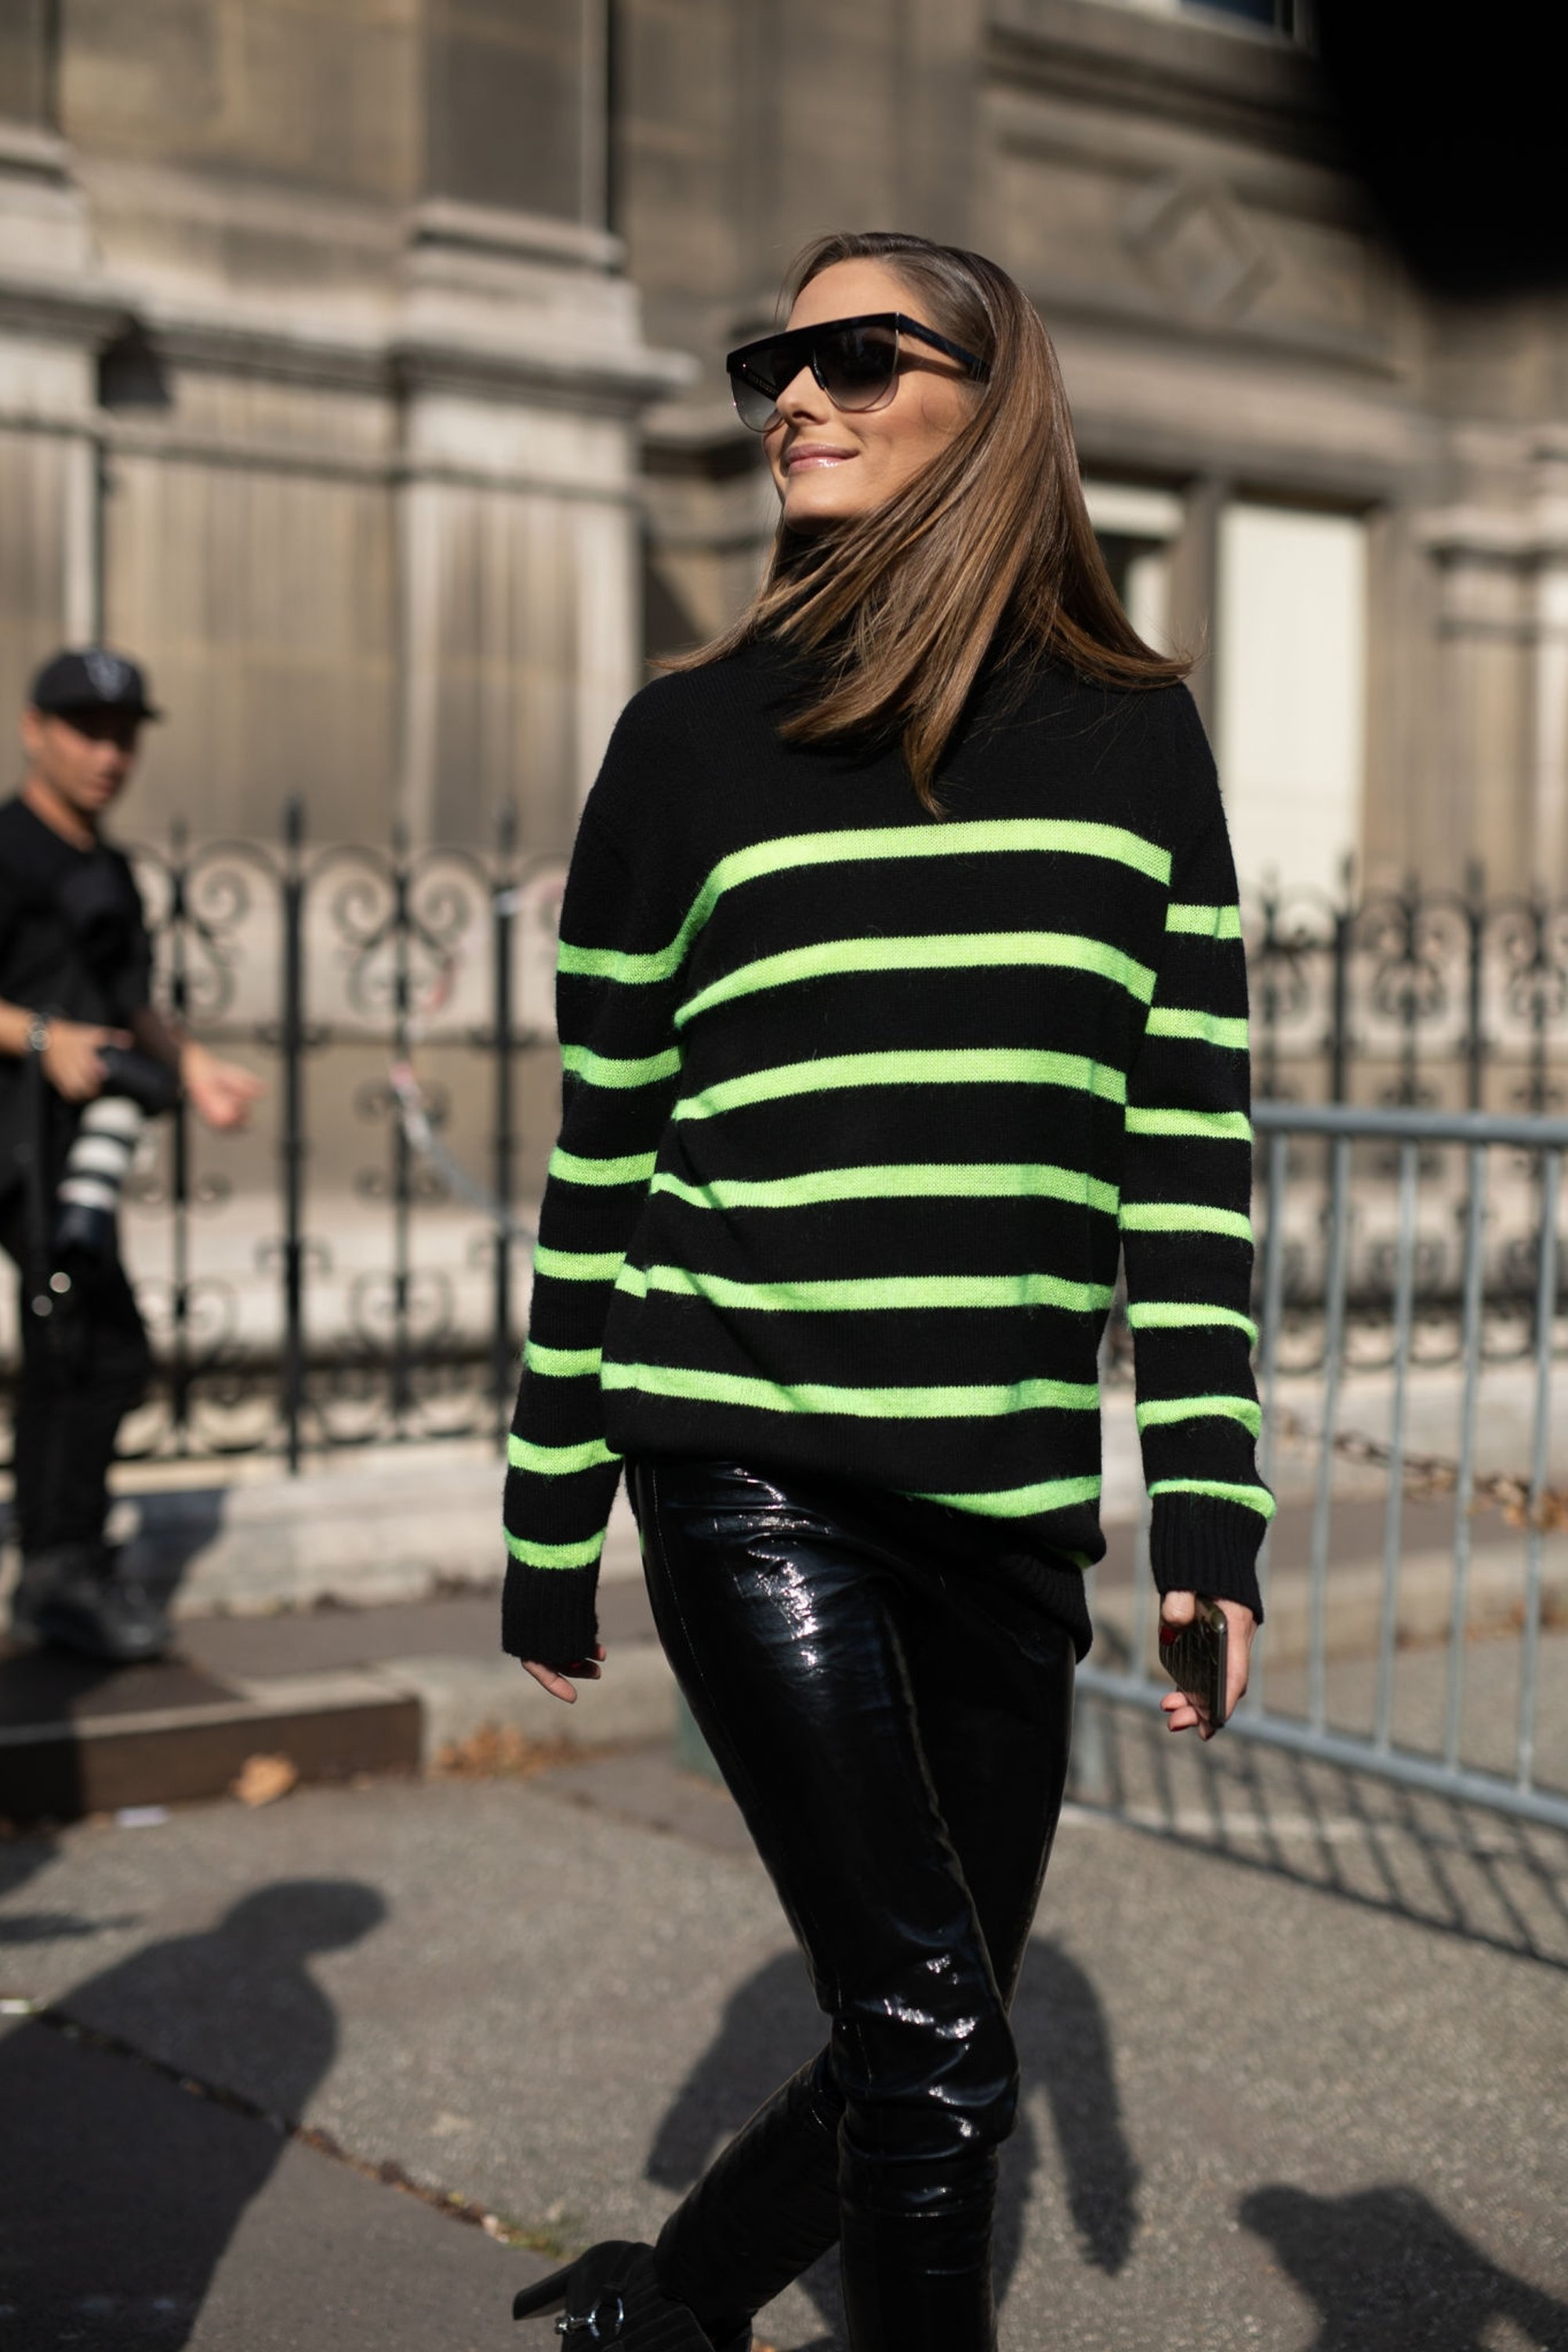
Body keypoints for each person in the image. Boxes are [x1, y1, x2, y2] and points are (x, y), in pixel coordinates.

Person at [503, 232, 1272, 2352]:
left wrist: (1213, 1510)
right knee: (939, 2037)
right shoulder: (686, 743)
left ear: (992, 396)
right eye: (778, 359)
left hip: (1008, 1504)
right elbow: (605, 1157)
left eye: (856, 353)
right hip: (743, 1459)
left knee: (927, 2018)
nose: (796, 396)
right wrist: (550, 1510)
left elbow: (1185, 1150)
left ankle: (664, 2314)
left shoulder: (1137, 741)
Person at [0, 648, 262, 1661]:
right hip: (14, 1141)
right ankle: (56, 1573)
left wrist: (189, 1065)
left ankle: (59, 1572)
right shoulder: (8, 847)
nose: (109, 753)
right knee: (89, 1346)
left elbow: (130, 1003)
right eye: (86, 729)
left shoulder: (108, 868)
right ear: (34, 729)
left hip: (78, 1155)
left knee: (89, 1345)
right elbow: (51, 1025)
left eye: (124, 735)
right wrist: (40, 1039)